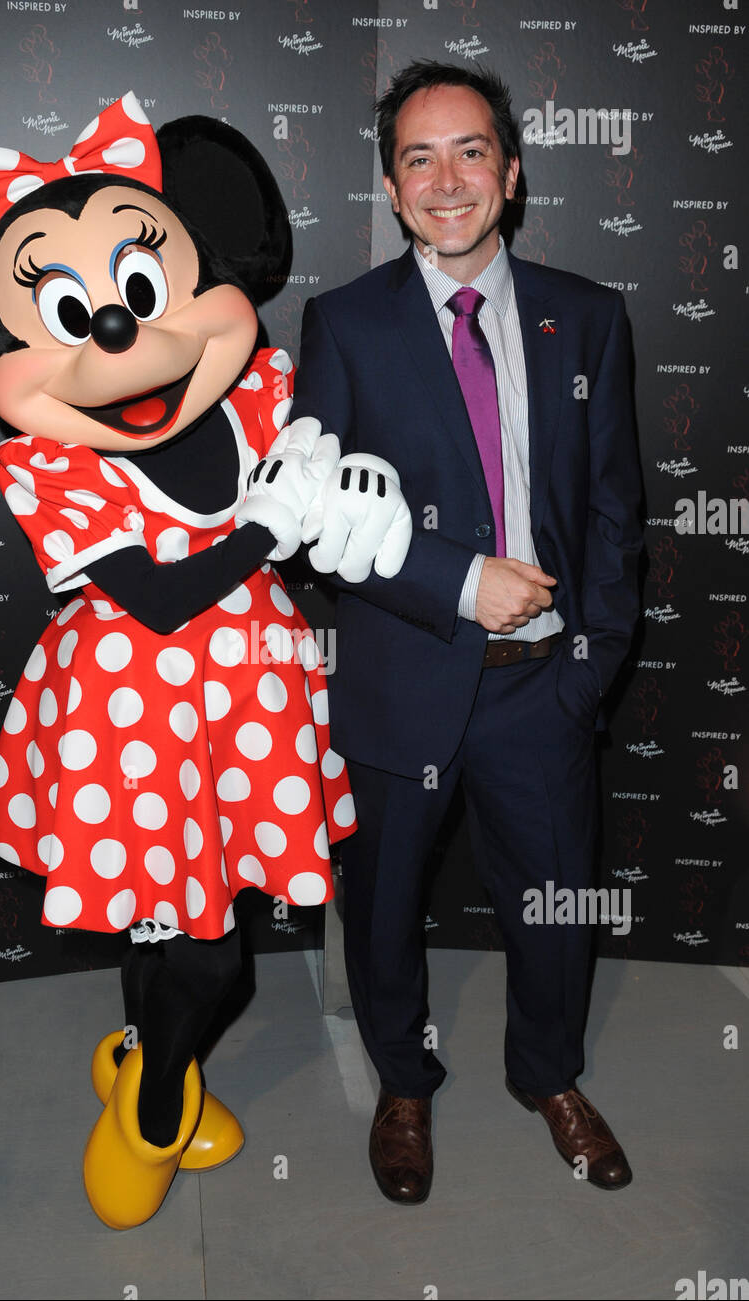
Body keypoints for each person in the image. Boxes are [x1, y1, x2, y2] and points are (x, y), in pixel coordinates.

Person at [292, 61, 643, 1203]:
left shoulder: (586, 316)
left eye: (470, 151)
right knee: (383, 904)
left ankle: (548, 1073)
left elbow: (610, 510)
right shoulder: (342, 325)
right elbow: (312, 524)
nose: (447, 180)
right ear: (391, 187)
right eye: (418, 158)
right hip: (403, 679)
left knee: (553, 903)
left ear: (512, 170)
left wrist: (586, 670)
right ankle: (403, 1083)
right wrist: (455, 583)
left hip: (542, 689)